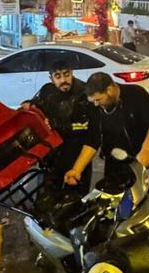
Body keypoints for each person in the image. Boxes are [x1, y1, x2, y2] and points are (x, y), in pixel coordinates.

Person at [67, 73, 149, 195]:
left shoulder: (136, 94)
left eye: (98, 100)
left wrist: (147, 149)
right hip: (114, 166)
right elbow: (93, 140)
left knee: (143, 202)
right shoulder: (94, 107)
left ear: (109, 90)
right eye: (93, 101)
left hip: (140, 162)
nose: (96, 104)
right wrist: (77, 169)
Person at [27, 56, 100, 195]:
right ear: (51, 78)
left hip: (77, 155)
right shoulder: (47, 90)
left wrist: (56, 125)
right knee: (47, 198)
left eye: (66, 74)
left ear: (72, 73)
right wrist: (29, 106)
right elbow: (36, 106)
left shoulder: (84, 94)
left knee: (75, 200)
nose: (63, 80)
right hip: (52, 157)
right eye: (58, 76)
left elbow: (87, 127)